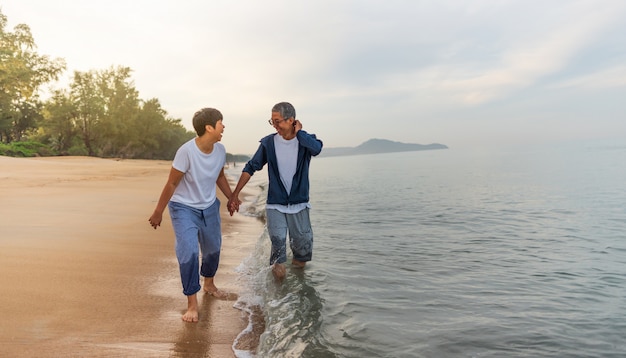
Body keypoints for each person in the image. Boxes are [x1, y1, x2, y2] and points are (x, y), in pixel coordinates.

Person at [148, 107, 238, 322]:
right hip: (183, 208)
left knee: (213, 249)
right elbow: (172, 182)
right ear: (209, 127)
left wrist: (232, 197)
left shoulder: (220, 150)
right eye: (220, 123)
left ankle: (209, 284)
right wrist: (158, 211)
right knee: (188, 252)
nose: (223, 126)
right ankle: (191, 304)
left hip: (208, 207)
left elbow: (219, 176)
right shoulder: (186, 151)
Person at [228, 102, 323, 279]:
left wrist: (300, 133)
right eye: (272, 121)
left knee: (301, 254)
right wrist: (234, 194)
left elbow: (317, 149)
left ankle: (297, 291)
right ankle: (276, 298)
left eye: (278, 121)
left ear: (291, 120)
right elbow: (251, 167)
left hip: (300, 205)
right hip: (275, 206)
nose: (275, 126)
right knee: (278, 250)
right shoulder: (268, 143)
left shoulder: (305, 140)